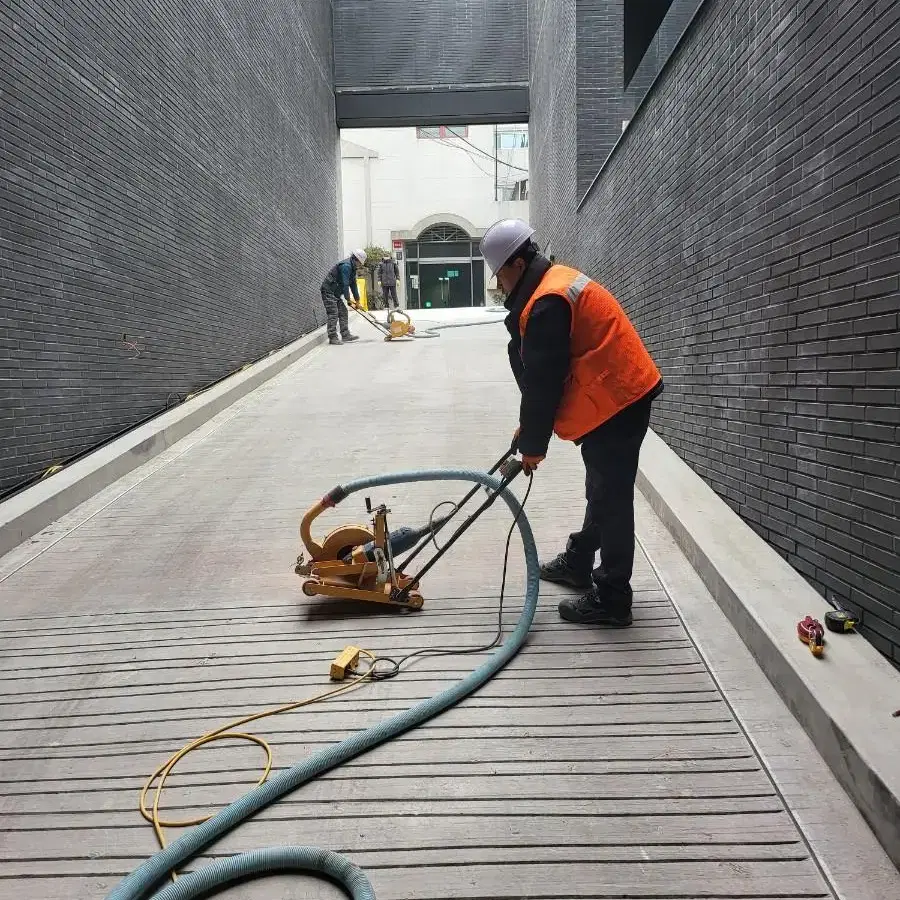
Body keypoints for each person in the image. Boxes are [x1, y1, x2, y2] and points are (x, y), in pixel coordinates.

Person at [480, 218, 663, 628]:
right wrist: (528, 433)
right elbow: (544, 381)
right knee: (602, 489)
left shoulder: (547, 302)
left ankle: (613, 599)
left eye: (499, 276)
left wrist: (533, 445)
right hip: (616, 397)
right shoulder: (552, 284)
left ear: (515, 265)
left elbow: (543, 383)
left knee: (612, 500)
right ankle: (580, 562)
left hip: (619, 400)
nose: (500, 286)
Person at [320, 250, 365, 345]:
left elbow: (353, 285)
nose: (360, 265)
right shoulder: (346, 266)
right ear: (356, 260)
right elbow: (345, 285)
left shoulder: (352, 268)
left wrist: (357, 301)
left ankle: (345, 335)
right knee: (333, 313)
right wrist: (348, 299)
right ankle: (332, 337)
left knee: (343, 311)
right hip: (328, 291)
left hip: (335, 293)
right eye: (360, 263)